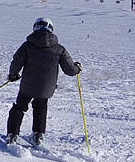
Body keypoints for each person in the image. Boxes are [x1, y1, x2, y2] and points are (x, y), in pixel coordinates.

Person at [5, 17, 82, 146]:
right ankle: (38, 135)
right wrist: (77, 69)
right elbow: (69, 70)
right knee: (40, 107)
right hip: (46, 88)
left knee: (19, 108)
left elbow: (16, 62)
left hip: (27, 86)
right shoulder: (59, 49)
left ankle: (12, 135)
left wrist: (13, 75)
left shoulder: (27, 46)